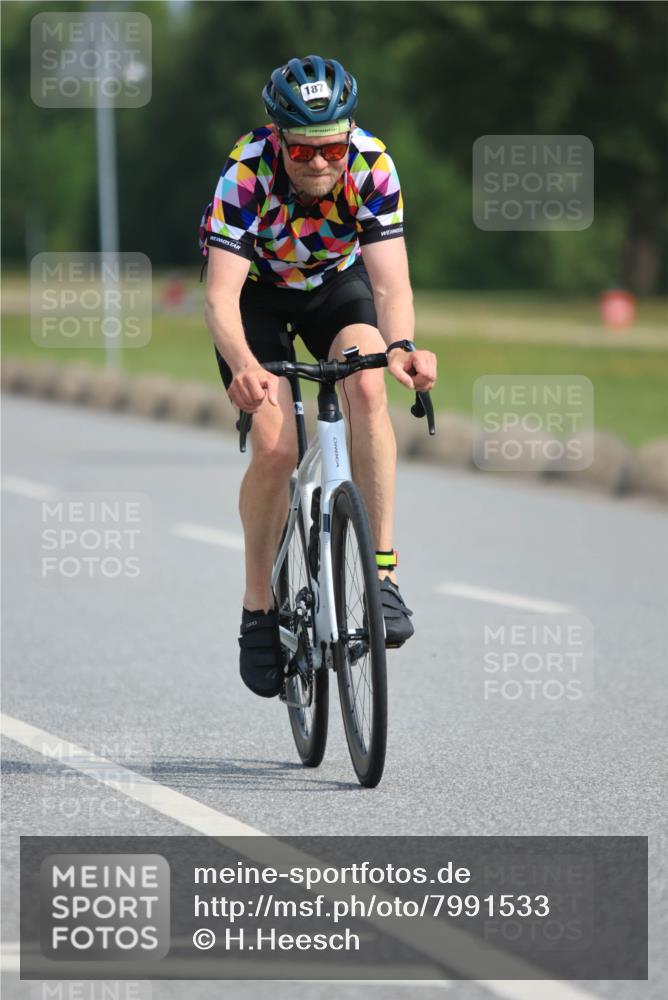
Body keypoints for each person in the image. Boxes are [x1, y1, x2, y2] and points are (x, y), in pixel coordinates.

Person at [202, 55, 437, 698]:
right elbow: (220, 299)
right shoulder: (245, 172)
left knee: (366, 384)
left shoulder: (372, 165)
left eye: (331, 146)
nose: (318, 163)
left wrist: (405, 347)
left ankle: (382, 575)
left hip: (336, 287)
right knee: (277, 446)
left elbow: (391, 285)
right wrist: (246, 368)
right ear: (277, 138)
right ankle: (258, 606)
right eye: (302, 151)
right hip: (256, 297)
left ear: (349, 134)